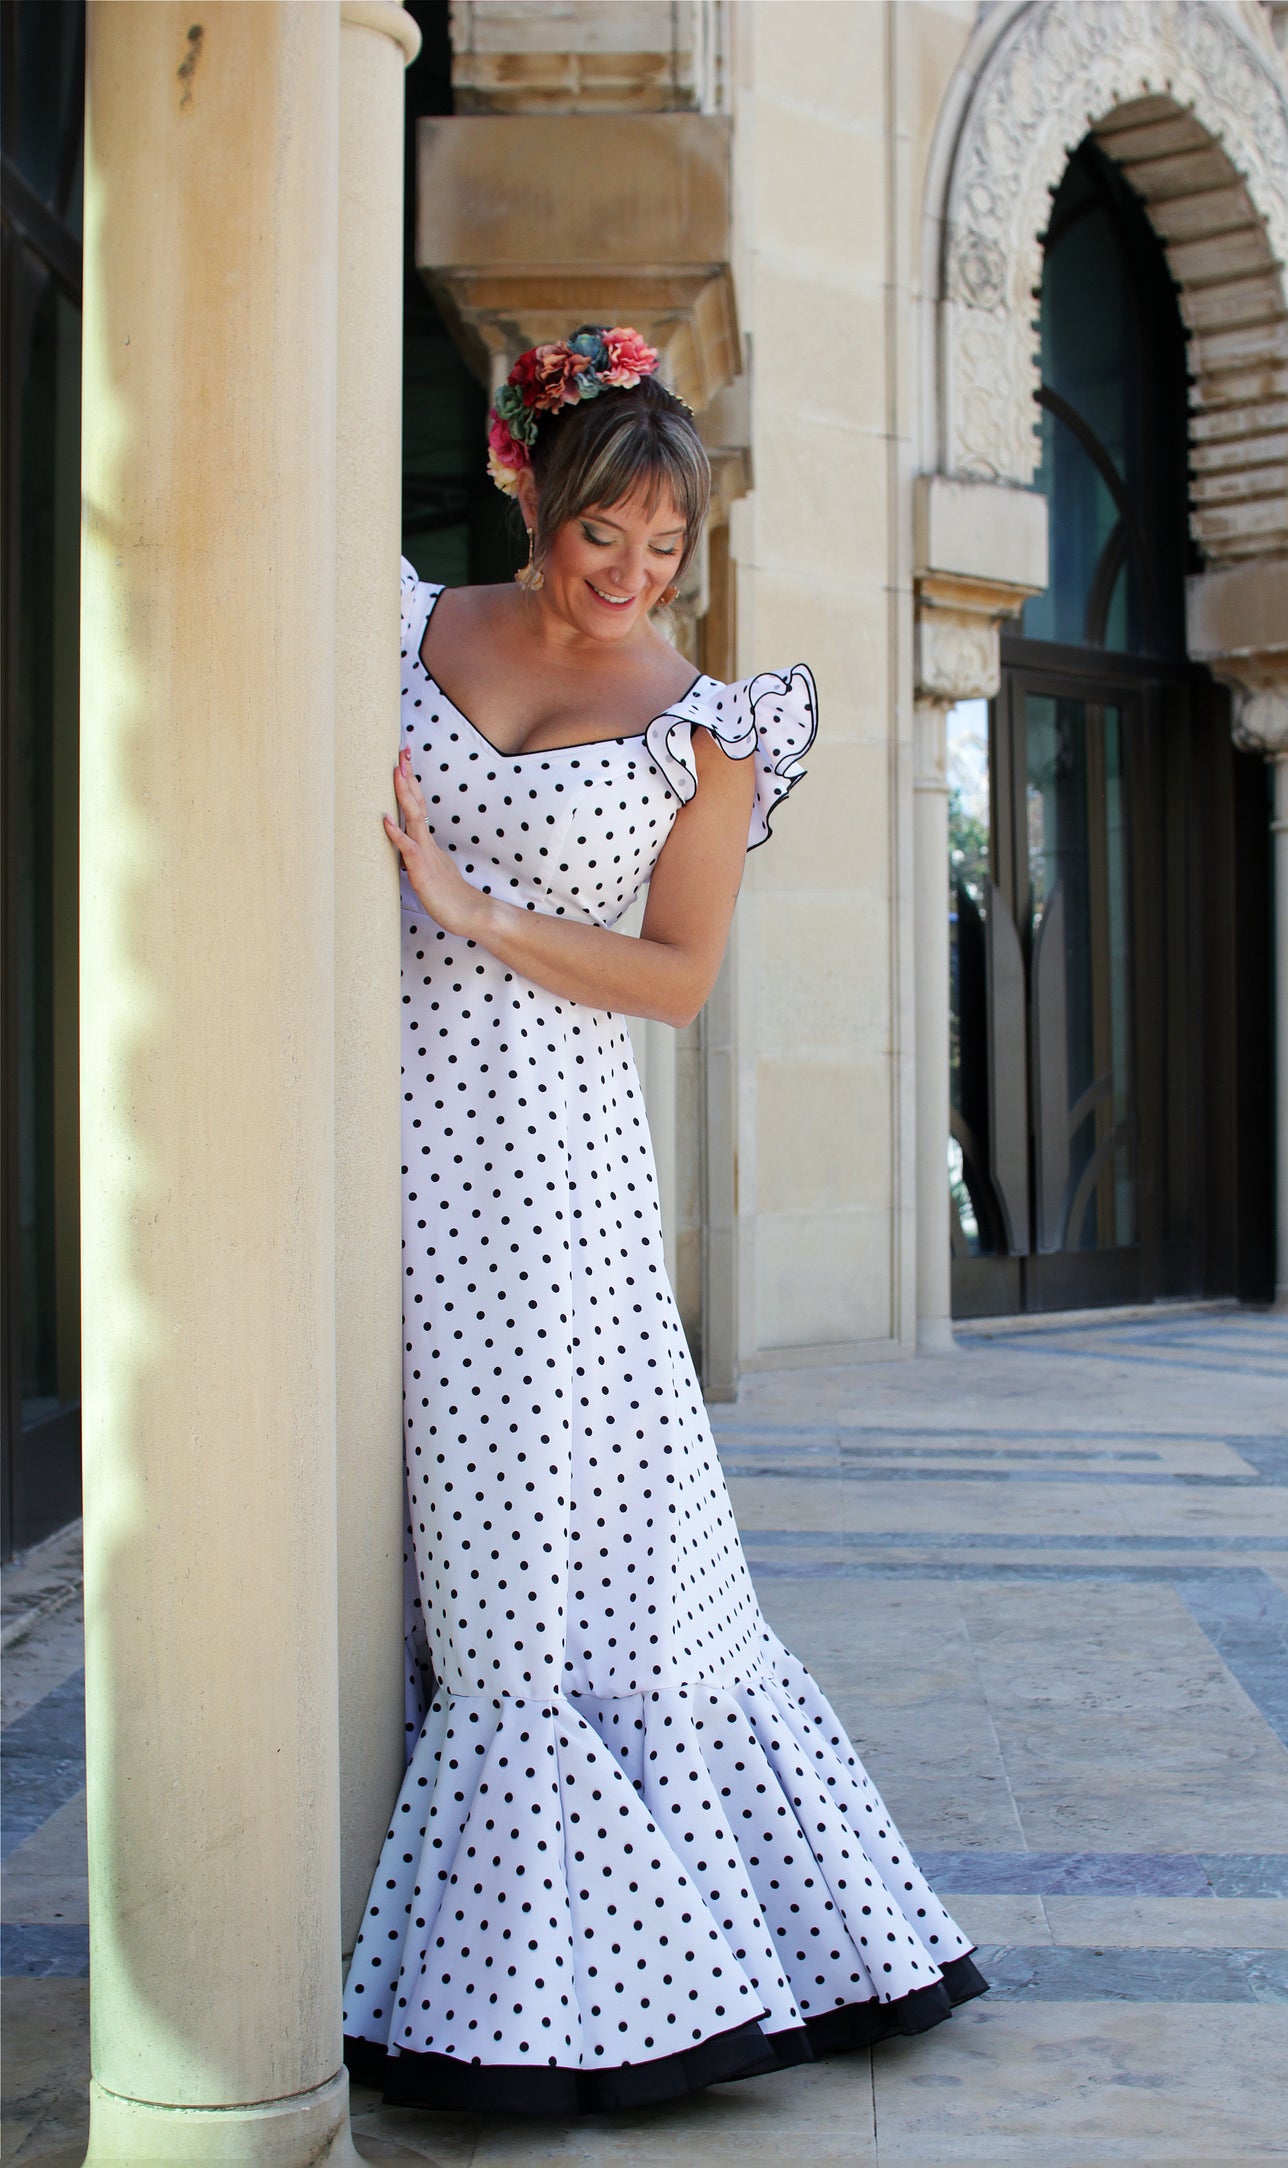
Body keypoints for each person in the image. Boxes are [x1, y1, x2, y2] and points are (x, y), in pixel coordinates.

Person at [342, 327, 987, 2116]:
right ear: (519, 491)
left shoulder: (704, 729)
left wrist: (468, 910)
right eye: (595, 537)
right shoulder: (402, 629)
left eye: (664, 551)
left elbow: (677, 978)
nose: (629, 580)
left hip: (541, 1175)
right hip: (364, 1135)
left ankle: (562, 1996)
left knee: (527, 1555)